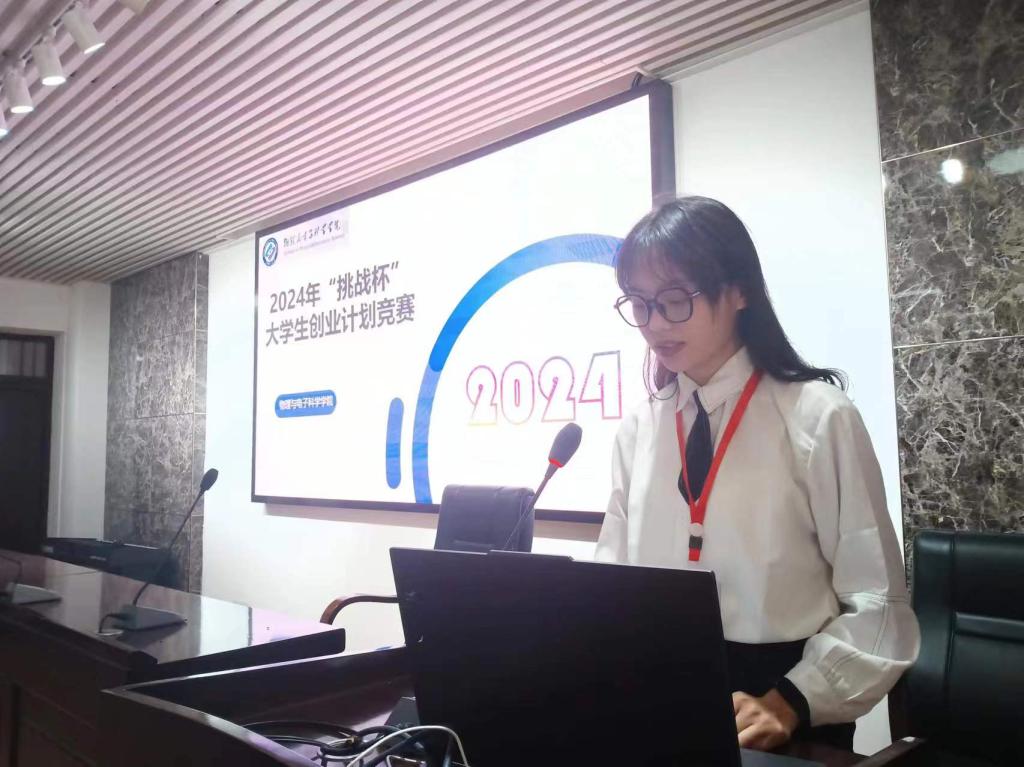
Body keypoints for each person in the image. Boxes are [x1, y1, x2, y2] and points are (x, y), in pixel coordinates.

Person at [596, 196, 919, 752]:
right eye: (640, 304)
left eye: (675, 300)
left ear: (739, 290)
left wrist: (793, 700)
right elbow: (612, 582)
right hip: (661, 695)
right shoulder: (639, 428)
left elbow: (877, 602)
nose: (654, 324)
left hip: (782, 704)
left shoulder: (818, 416)